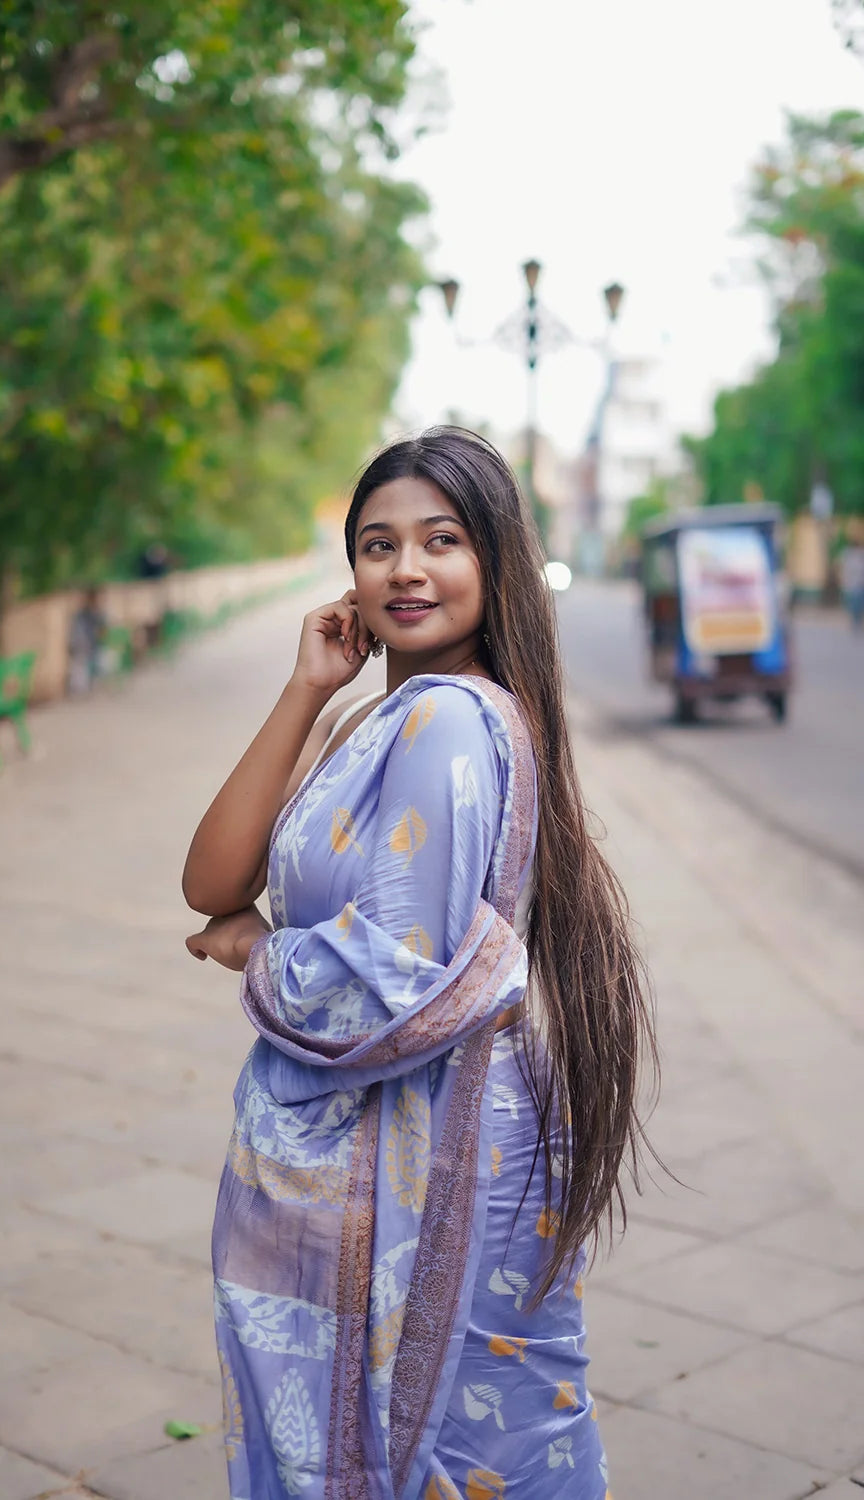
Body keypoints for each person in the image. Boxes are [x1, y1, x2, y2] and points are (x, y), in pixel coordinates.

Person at [182, 427, 657, 1500]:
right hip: (382, 1149)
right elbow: (210, 881)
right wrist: (308, 687)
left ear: (493, 555)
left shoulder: (446, 722)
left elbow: (390, 984)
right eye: (376, 543)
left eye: (440, 540)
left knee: (444, 1449)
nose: (405, 568)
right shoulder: (375, 712)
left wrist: (258, 948)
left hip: (431, 1154)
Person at [838, 542, 864, 632]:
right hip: (852, 586)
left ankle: (857, 622)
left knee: (858, 606)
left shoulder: (860, 555)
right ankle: (855, 623)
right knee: (854, 606)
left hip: (858, 586)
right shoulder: (849, 556)